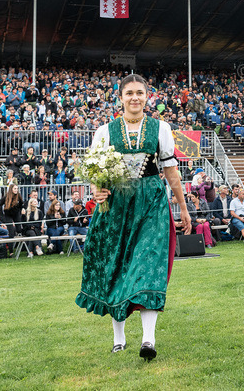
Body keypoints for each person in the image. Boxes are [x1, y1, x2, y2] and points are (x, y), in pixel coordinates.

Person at [77, 74, 190, 362]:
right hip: (116, 206)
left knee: (148, 265)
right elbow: (95, 171)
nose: (135, 97)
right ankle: (119, 338)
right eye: (129, 93)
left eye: (140, 92)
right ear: (120, 98)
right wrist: (96, 189)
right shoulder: (105, 131)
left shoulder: (161, 128)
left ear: (147, 96)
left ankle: (148, 339)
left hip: (151, 203)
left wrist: (183, 206)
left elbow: (171, 171)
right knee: (116, 267)